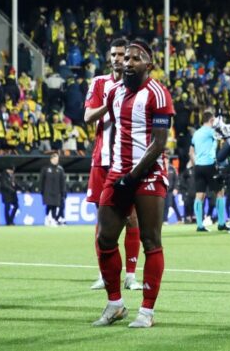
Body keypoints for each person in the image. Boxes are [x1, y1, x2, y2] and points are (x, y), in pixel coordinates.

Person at [93, 39, 174, 328]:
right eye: (126, 58)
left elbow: (159, 143)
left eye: (135, 58)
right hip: (118, 173)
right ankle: (115, 304)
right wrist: (118, 172)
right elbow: (116, 133)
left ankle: (147, 311)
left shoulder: (158, 94)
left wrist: (132, 176)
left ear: (148, 64)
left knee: (150, 241)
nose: (128, 62)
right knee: (104, 239)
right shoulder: (114, 92)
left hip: (148, 174)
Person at [85, 38, 142, 290]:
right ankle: (104, 273)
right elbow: (87, 116)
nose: (118, 59)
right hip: (102, 160)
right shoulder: (99, 83)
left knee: (132, 219)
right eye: (114, 54)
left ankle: (130, 276)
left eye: (122, 54)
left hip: (128, 162)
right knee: (103, 218)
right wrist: (107, 106)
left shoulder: (137, 86)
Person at [190, 109, 225, 232]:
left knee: (199, 195)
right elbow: (222, 136)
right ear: (211, 120)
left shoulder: (196, 133)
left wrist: (196, 163)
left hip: (198, 166)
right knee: (220, 192)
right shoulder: (211, 131)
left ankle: (200, 226)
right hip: (210, 165)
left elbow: (191, 152)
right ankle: (221, 223)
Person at [40, 153, 66, 226]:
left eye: (57, 159)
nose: (56, 161)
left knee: (55, 205)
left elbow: (62, 182)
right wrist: (41, 190)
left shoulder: (60, 169)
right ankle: (47, 218)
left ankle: (53, 219)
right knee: (49, 205)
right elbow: (42, 180)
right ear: (51, 159)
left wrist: (63, 191)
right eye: (54, 159)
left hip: (57, 191)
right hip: (47, 191)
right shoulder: (45, 169)